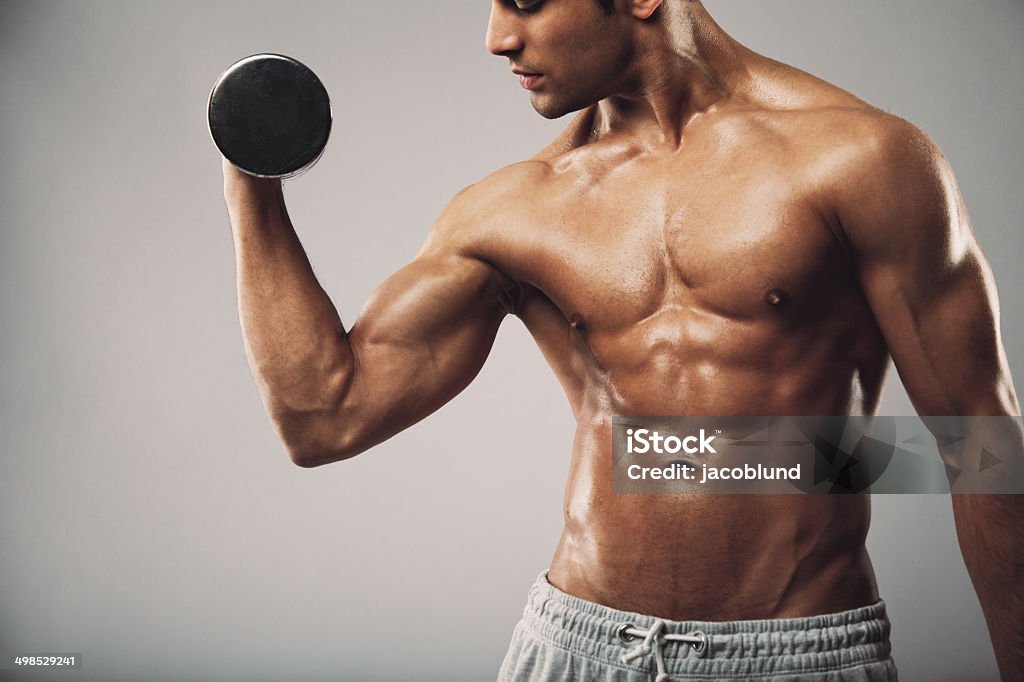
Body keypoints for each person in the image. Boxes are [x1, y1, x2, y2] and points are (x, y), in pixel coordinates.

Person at [220, 0, 1023, 679]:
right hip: (575, 646)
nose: (497, 37)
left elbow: (982, 446)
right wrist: (249, 171)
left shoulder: (862, 160)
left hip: (796, 654)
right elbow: (323, 416)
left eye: (527, 1)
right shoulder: (512, 208)